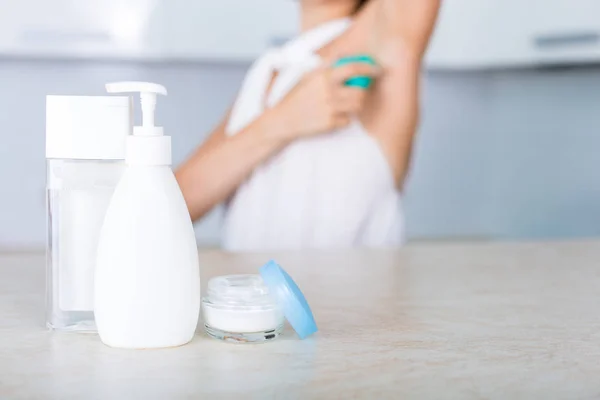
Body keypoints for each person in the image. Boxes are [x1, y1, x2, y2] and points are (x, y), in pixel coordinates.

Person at [176, 0, 440, 251]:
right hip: (256, 297)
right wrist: (284, 119)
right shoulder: (269, 70)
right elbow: (178, 202)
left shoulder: (383, 42)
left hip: (347, 298)